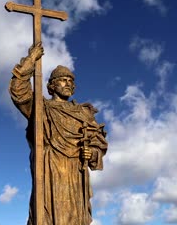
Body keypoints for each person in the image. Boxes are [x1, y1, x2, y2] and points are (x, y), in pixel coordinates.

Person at [9, 43, 108, 225]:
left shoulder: (83, 113)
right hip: (49, 170)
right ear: (51, 86)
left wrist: (92, 153)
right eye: (63, 80)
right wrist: (31, 59)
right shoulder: (41, 107)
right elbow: (19, 91)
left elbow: (98, 142)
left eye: (71, 81)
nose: (68, 83)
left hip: (75, 174)